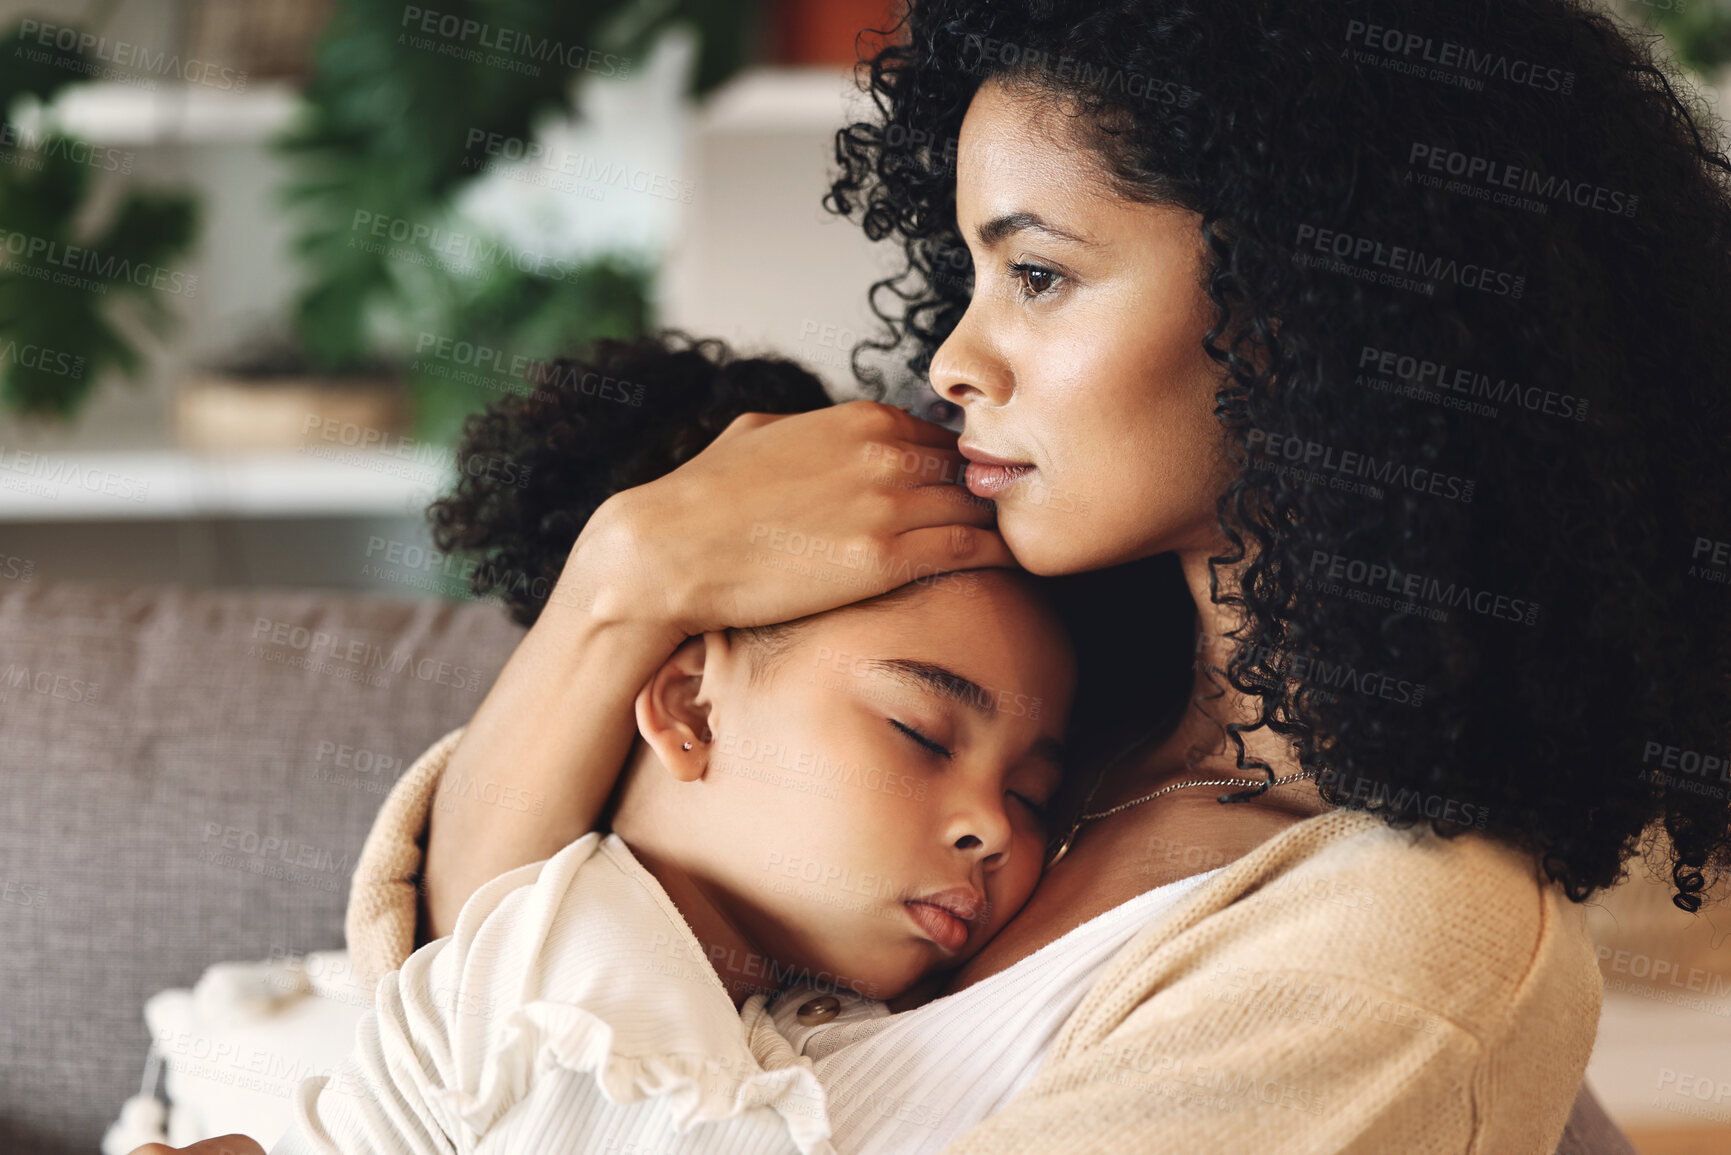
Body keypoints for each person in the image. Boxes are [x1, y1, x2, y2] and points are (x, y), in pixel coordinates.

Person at [139, 1, 1731, 1152]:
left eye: (1037, 274)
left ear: (1315, 308)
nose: (953, 356)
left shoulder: (1403, 943)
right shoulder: (1028, 665)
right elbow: (486, 977)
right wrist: (628, 576)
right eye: (966, 269)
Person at [266, 334, 1086, 1154]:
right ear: (690, 706)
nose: (996, 826)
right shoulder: (587, 989)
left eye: (1030, 795)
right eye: (920, 734)